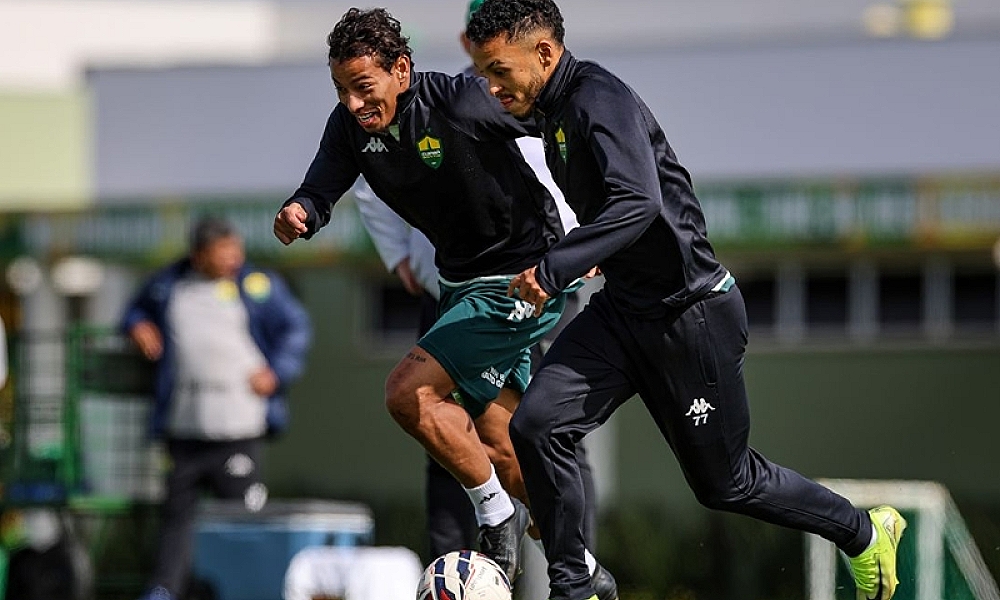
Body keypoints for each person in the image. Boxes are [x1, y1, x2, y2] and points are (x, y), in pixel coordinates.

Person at [465, 2, 906, 600]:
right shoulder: (551, 111)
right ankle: (577, 586)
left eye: (498, 70)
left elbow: (639, 202)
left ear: (544, 54)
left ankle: (862, 530)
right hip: (624, 312)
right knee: (539, 423)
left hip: (690, 314)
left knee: (727, 484)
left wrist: (556, 264)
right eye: (483, 73)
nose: (491, 86)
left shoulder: (599, 98)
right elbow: (619, 215)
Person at [272, 9, 612, 594]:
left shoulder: (463, 101)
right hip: (460, 285)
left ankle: (495, 515)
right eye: (341, 90)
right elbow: (322, 183)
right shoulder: (349, 128)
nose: (353, 103)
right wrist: (302, 210)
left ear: (401, 70)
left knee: (408, 393)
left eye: (363, 87)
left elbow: (556, 134)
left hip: (520, 277)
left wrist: (587, 236)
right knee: (505, 449)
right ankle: (584, 567)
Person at [123, 217, 311, 600]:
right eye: (223, 252)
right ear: (198, 255)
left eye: (236, 250)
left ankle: (244, 589)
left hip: (238, 428)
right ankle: (165, 591)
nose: (233, 258)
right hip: (185, 426)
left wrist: (276, 371)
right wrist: (139, 327)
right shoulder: (167, 286)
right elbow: (133, 312)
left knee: (241, 520)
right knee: (177, 520)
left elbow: (296, 327)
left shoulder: (256, 286)